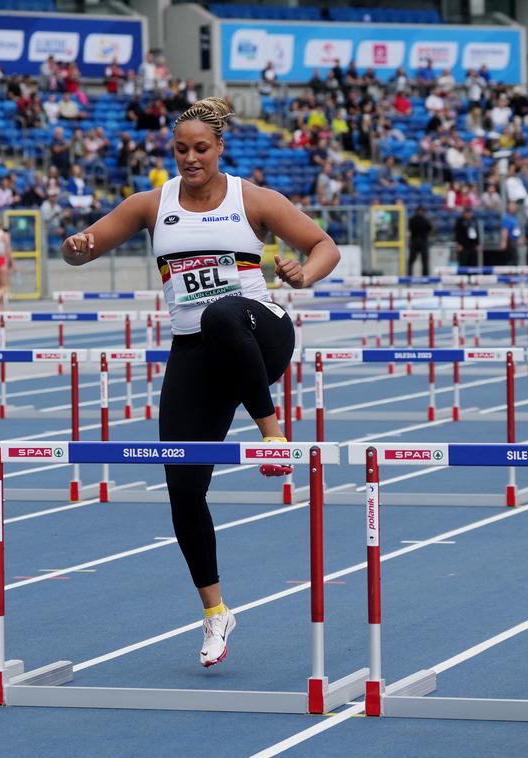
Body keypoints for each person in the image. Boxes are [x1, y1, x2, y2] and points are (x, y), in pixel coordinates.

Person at [59, 97, 340, 667]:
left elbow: (324, 246)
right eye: (181, 150)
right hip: (197, 353)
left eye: (201, 149)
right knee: (184, 488)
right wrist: (76, 248)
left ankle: (272, 436)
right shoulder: (151, 204)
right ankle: (216, 613)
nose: (190, 158)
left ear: (220, 148)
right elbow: (84, 250)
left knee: (223, 311)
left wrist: (303, 273)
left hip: (261, 336)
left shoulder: (252, 199)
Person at [407, 205, 432, 276]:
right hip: (415, 241)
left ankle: (425, 277)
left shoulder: (424, 220)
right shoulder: (414, 220)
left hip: (423, 241)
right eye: (419, 211)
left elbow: (430, 230)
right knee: (411, 261)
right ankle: (409, 276)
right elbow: (429, 230)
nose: (420, 212)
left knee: (425, 261)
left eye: (421, 211)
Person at [500, 200, 522, 265]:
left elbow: (517, 230)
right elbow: (505, 230)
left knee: (516, 259)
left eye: (514, 206)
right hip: (510, 241)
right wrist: (504, 241)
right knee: (512, 259)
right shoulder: (507, 218)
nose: (513, 207)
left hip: (514, 241)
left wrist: (519, 238)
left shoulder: (515, 218)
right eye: (512, 206)